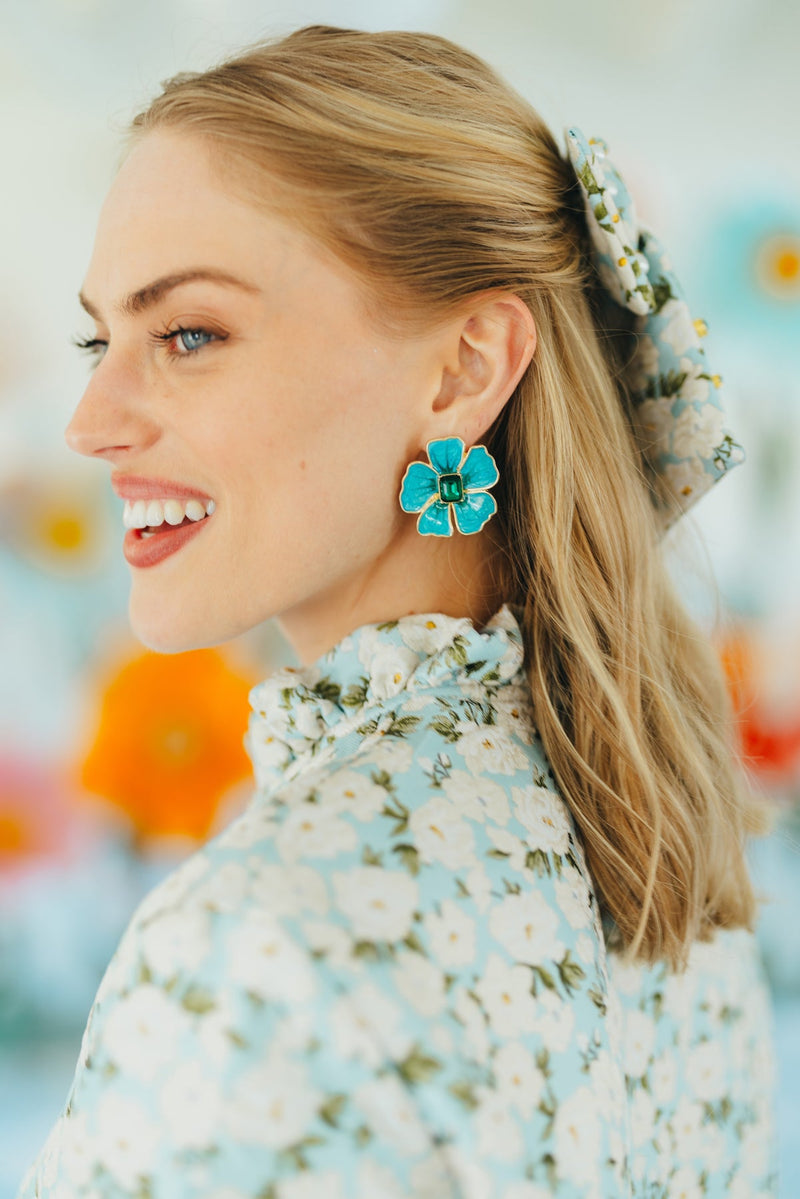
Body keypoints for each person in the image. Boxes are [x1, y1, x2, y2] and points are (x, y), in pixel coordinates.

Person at [17, 24, 777, 1199]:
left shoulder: (252, 947)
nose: (91, 418)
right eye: (96, 337)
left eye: (187, 333)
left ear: (463, 369)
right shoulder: (669, 861)